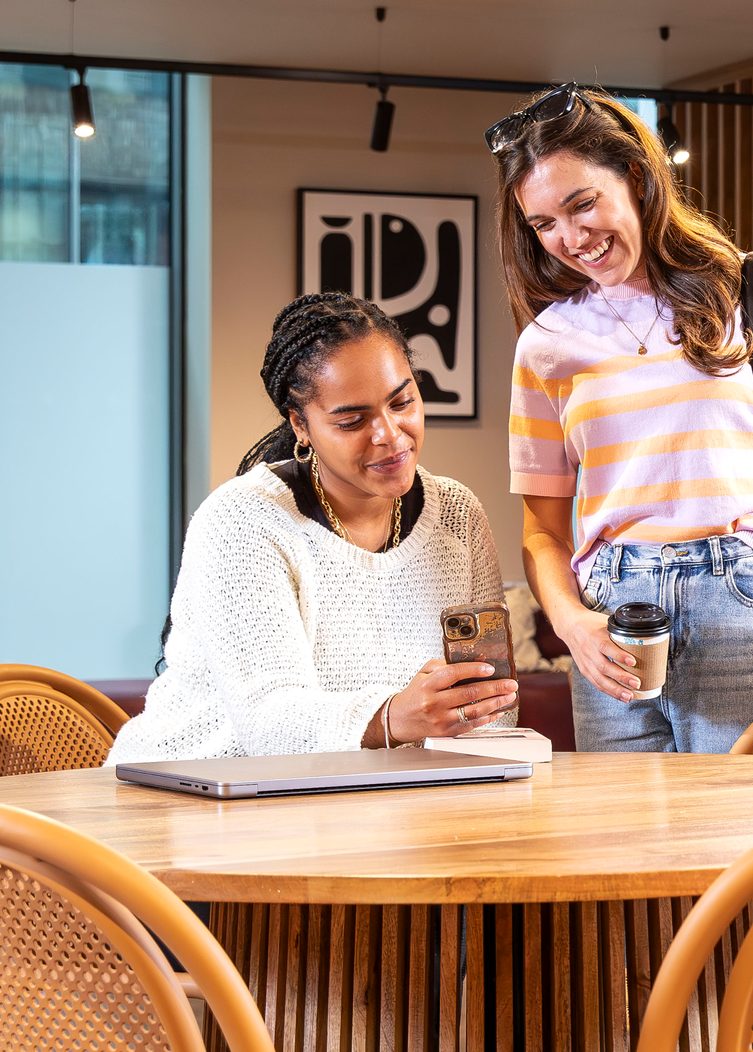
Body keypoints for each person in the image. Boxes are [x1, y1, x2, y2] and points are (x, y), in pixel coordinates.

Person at [496, 85, 753, 753]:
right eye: (543, 224)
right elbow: (541, 531)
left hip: (744, 599)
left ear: (637, 178)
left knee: (747, 840)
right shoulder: (545, 345)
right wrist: (570, 625)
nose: (569, 238)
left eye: (582, 203)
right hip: (609, 619)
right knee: (623, 842)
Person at [114, 293, 521, 761]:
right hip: (189, 799)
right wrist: (392, 717)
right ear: (301, 425)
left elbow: (495, 704)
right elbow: (269, 724)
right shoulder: (242, 521)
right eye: (352, 421)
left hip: (360, 805)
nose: (389, 434)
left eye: (403, 401)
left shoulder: (458, 515)